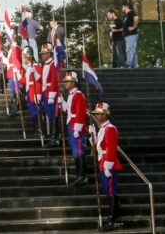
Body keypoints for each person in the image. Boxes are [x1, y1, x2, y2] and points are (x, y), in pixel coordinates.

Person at [93, 102, 123, 230]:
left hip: (108, 164)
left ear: (105, 115)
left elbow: (111, 148)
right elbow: (99, 147)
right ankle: (114, 216)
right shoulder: (103, 128)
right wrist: (93, 137)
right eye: (96, 114)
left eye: (99, 114)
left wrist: (107, 166)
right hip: (103, 162)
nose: (97, 116)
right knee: (108, 191)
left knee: (111, 191)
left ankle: (114, 219)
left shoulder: (110, 128)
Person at [62, 71, 90, 186]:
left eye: (68, 81)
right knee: (75, 151)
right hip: (71, 125)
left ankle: (82, 176)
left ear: (74, 82)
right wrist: (61, 100)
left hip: (76, 127)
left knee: (78, 151)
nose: (65, 83)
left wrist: (77, 129)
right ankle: (80, 176)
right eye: (65, 81)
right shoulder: (71, 95)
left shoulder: (78, 95)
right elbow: (68, 110)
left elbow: (80, 113)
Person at [40, 43, 60, 147]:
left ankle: (55, 137)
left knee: (53, 115)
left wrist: (52, 95)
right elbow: (43, 80)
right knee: (49, 115)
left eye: (44, 53)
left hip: (50, 94)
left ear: (49, 54)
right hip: (45, 92)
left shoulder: (53, 64)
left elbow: (54, 80)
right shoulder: (45, 65)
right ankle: (53, 136)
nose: (42, 55)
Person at [21, 47, 42, 136]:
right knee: (33, 111)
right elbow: (26, 81)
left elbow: (39, 81)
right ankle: (35, 129)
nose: (23, 59)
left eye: (24, 57)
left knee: (36, 112)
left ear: (29, 56)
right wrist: (18, 77)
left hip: (35, 93)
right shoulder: (29, 68)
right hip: (30, 92)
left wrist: (38, 94)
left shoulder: (36, 66)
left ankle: (38, 130)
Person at [122, 3, 139, 68]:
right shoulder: (126, 15)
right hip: (127, 35)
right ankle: (135, 65)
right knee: (132, 49)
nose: (122, 8)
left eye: (122, 7)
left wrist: (134, 27)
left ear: (126, 6)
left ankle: (128, 63)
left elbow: (136, 17)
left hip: (131, 34)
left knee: (130, 49)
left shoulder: (131, 12)